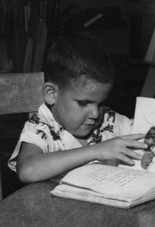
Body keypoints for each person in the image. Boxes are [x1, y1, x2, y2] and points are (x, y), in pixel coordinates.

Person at [9, 32, 146, 183]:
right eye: (83, 103)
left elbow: (148, 135)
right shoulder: (41, 127)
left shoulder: (110, 121)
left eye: (101, 104)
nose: (95, 113)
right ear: (51, 94)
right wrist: (95, 151)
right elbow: (28, 170)